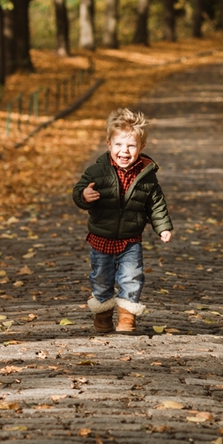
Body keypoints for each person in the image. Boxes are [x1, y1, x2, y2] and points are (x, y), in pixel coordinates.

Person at [71, 108, 173, 333]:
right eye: (118, 145)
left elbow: (156, 203)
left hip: (130, 239)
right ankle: (103, 315)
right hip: (101, 237)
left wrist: (163, 226)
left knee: (132, 276)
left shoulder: (146, 175)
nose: (124, 151)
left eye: (131, 146)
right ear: (109, 145)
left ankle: (127, 318)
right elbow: (79, 190)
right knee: (101, 278)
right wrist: (84, 196)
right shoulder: (97, 171)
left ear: (141, 148)